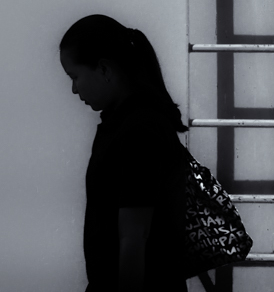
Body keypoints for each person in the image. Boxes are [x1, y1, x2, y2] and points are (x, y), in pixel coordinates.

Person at [59, 14, 189, 292]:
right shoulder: (129, 125)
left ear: (105, 69)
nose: (73, 89)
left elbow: (134, 236)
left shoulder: (138, 131)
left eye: (75, 76)